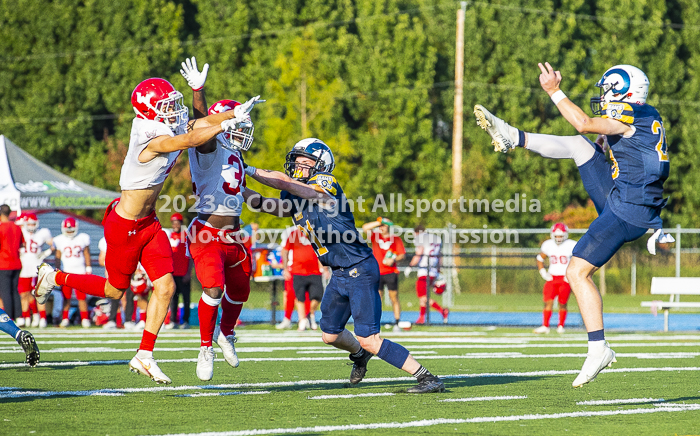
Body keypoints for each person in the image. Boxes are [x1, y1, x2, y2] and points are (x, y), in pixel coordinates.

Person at [34, 72, 263, 384]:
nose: (174, 110)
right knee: (115, 289)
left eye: (174, 104)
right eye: (167, 105)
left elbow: (198, 124)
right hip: (124, 225)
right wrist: (226, 121)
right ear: (149, 111)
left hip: (149, 222)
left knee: (166, 286)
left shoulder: (164, 123)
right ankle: (53, 276)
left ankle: (144, 355)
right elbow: (190, 138)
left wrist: (225, 109)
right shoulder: (150, 138)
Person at [474, 63, 671, 387]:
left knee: (576, 272)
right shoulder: (647, 115)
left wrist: (554, 91)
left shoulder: (631, 118)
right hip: (626, 199)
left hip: (628, 211)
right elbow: (619, 148)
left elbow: (583, 122)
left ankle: (598, 347)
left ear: (625, 92)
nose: (604, 97)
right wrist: (607, 148)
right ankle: (514, 136)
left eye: (609, 90)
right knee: (580, 148)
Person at [244, 137, 445, 393]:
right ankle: (360, 354)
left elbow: (298, 187)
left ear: (320, 166)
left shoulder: (325, 184)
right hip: (339, 273)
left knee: (370, 338)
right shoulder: (295, 193)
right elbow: (263, 204)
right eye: (297, 161)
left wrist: (248, 169)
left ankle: (427, 377)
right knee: (329, 334)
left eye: (305, 162)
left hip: (359, 267)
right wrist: (237, 187)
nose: (297, 166)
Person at [179, 57, 270, 381]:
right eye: (238, 123)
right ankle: (205, 347)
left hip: (235, 234)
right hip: (207, 233)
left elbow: (243, 194)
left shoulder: (234, 155)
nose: (242, 130)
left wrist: (277, 206)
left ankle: (226, 332)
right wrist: (198, 91)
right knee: (214, 288)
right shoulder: (208, 147)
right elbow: (201, 127)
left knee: (241, 290)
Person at [362, 217, 406, 332]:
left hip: (391, 272)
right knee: (377, 298)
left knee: (394, 298)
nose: (381, 228)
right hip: (377, 272)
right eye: (380, 226)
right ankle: (376, 323)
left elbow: (402, 255)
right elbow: (365, 227)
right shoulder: (375, 237)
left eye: (383, 226)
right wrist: (379, 221)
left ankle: (397, 322)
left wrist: (394, 259)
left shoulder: (395, 239)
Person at [533, 223, 577, 334]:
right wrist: (543, 272)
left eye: (560, 236)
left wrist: (571, 274)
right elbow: (540, 258)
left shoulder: (571, 245)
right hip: (552, 277)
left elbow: (578, 260)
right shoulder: (548, 245)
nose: (558, 238)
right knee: (548, 301)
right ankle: (545, 325)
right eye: (556, 236)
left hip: (565, 278)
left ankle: (561, 325)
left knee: (563, 303)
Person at [282, 226, 326, 331]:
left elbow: (321, 252)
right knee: (299, 297)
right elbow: (285, 250)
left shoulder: (317, 234)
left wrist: (324, 268)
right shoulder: (294, 234)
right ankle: (302, 320)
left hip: (315, 271)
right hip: (298, 270)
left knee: (317, 296)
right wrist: (285, 268)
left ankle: (309, 315)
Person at [53, 217, 92, 328]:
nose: (70, 232)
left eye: (71, 229)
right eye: (68, 230)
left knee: (82, 297)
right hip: (66, 272)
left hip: (80, 272)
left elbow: (86, 253)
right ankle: (65, 318)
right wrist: (57, 271)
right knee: (66, 297)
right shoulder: (59, 240)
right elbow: (57, 257)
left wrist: (88, 268)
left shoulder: (82, 238)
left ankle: (85, 318)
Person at [405, 225, 448, 324]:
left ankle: (442, 311)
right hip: (433, 270)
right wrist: (439, 268)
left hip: (424, 270)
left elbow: (419, 253)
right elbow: (439, 255)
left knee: (423, 296)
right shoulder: (436, 238)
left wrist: (410, 266)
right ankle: (422, 317)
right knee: (423, 295)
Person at [17, 213, 53, 328]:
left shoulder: (42, 233)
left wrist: (45, 253)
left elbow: (53, 244)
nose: (31, 226)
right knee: (24, 295)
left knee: (39, 294)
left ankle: (42, 318)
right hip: (23, 268)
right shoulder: (20, 231)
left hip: (36, 268)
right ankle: (27, 317)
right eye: (29, 223)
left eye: (33, 223)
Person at [164, 213, 192, 329]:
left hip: (183, 273)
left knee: (186, 299)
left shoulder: (186, 236)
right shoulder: (168, 236)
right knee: (173, 299)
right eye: (173, 222)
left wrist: (188, 273)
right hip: (172, 273)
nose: (175, 225)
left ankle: (185, 321)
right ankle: (173, 321)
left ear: (181, 223)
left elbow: (190, 257)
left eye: (177, 222)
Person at [0, 204, 24, 322]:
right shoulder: (17, 227)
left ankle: (9, 317)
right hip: (16, 262)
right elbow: (22, 244)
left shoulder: (1, 228)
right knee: (15, 290)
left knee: (5, 291)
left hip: (3, 263)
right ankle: (19, 316)